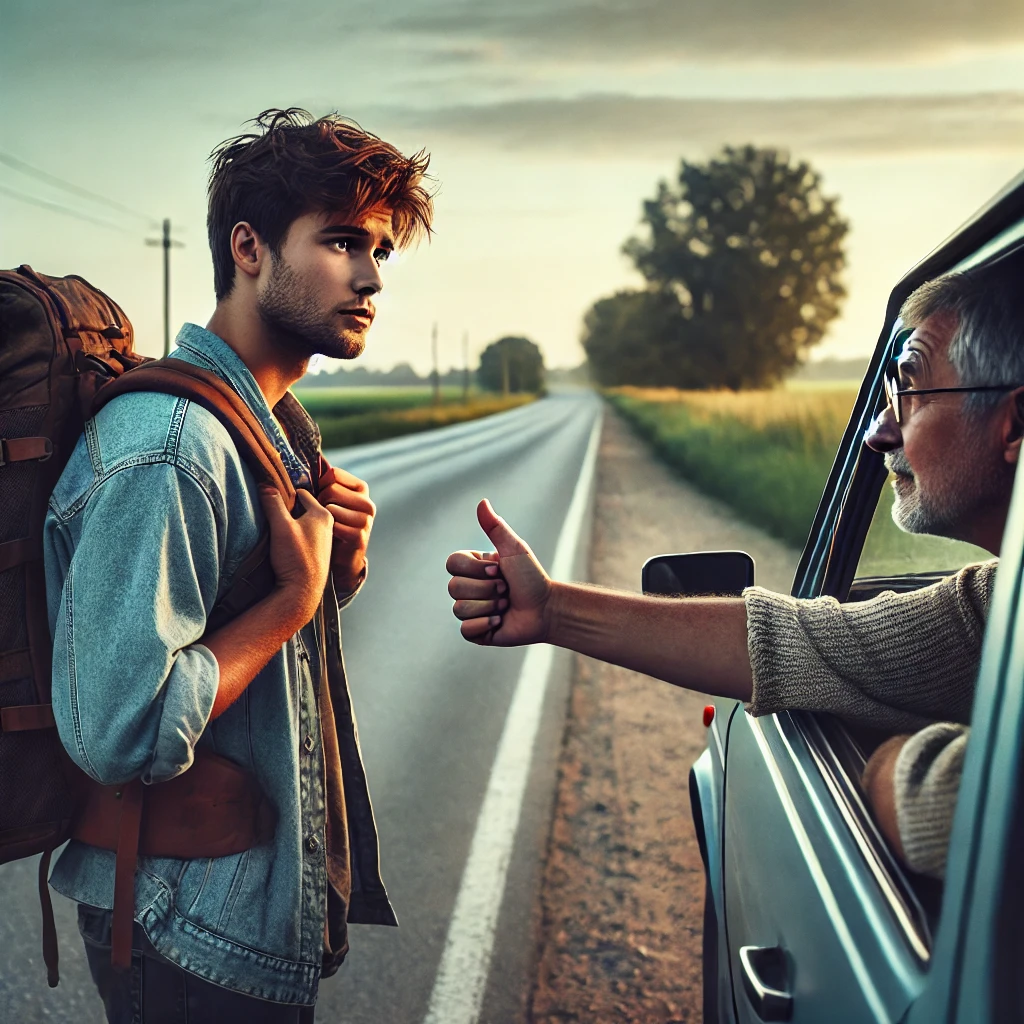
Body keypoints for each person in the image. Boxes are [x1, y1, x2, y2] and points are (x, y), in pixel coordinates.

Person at [447, 252, 1024, 882]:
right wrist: (553, 609)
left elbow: (953, 805)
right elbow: (805, 643)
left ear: (1014, 423)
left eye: (910, 390)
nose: (879, 432)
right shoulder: (1001, 601)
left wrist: (890, 767)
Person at [44, 108, 433, 1022]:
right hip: (182, 934)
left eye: (380, 250)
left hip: (224, 920)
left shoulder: (264, 433)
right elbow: (122, 730)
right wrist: (293, 600)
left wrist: (333, 576)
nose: (372, 277)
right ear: (248, 247)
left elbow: (230, 646)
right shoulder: (172, 447)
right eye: (342, 242)